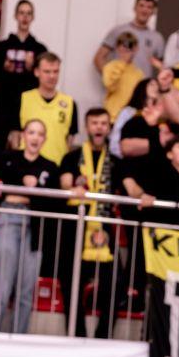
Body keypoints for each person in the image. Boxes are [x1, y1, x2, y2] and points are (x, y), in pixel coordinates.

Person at [0, 119, 59, 334]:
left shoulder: (50, 167)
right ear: (24, 135)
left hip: (36, 225)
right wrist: (23, 186)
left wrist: (27, 191)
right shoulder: (8, 158)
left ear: (45, 139)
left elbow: (52, 202)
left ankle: (18, 340)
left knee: (26, 292)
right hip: (9, 217)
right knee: (1, 288)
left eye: (40, 134)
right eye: (31, 132)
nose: (35, 137)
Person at [59, 108, 117, 338]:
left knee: (115, 284)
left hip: (105, 233)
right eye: (94, 123)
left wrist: (141, 195)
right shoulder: (72, 157)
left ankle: (103, 337)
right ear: (86, 127)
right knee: (71, 283)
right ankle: (77, 335)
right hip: (76, 231)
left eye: (103, 123)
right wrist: (72, 187)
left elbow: (129, 185)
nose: (99, 127)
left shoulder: (115, 161)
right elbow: (65, 182)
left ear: (109, 128)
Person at [0, 0, 47, 149]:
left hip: (28, 102)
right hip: (4, 101)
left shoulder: (39, 49)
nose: (25, 17)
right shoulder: (1, 47)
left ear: (33, 17)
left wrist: (32, 68)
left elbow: (45, 79)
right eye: (21, 13)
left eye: (28, 13)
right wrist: (4, 68)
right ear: (15, 16)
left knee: (25, 144)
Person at [15, 52, 77, 165]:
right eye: (47, 71)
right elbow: (15, 136)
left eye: (55, 71)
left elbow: (70, 140)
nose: (52, 76)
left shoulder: (69, 103)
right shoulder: (24, 99)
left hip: (57, 165)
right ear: (36, 72)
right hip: (26, 166)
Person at [94, 0, 164, 77]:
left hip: (143, 84)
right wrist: (110, 78)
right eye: (141, 6)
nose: (144, 10)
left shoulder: (157, 38)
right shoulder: (118, 31)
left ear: (153, 11)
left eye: (149, 7)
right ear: (134, 8)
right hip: (120, 84)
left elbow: (162, 67)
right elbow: (99, 58)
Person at [101, 32, 145, 120]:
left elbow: (140, 97)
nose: (126, 52)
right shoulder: (109, 67)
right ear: (117, 48)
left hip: (131, 117)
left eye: (129, 48)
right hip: (112, 116)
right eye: (123, 49)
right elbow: (110, 86)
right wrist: (122, 64)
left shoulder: (139, 73)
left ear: (135, 49)